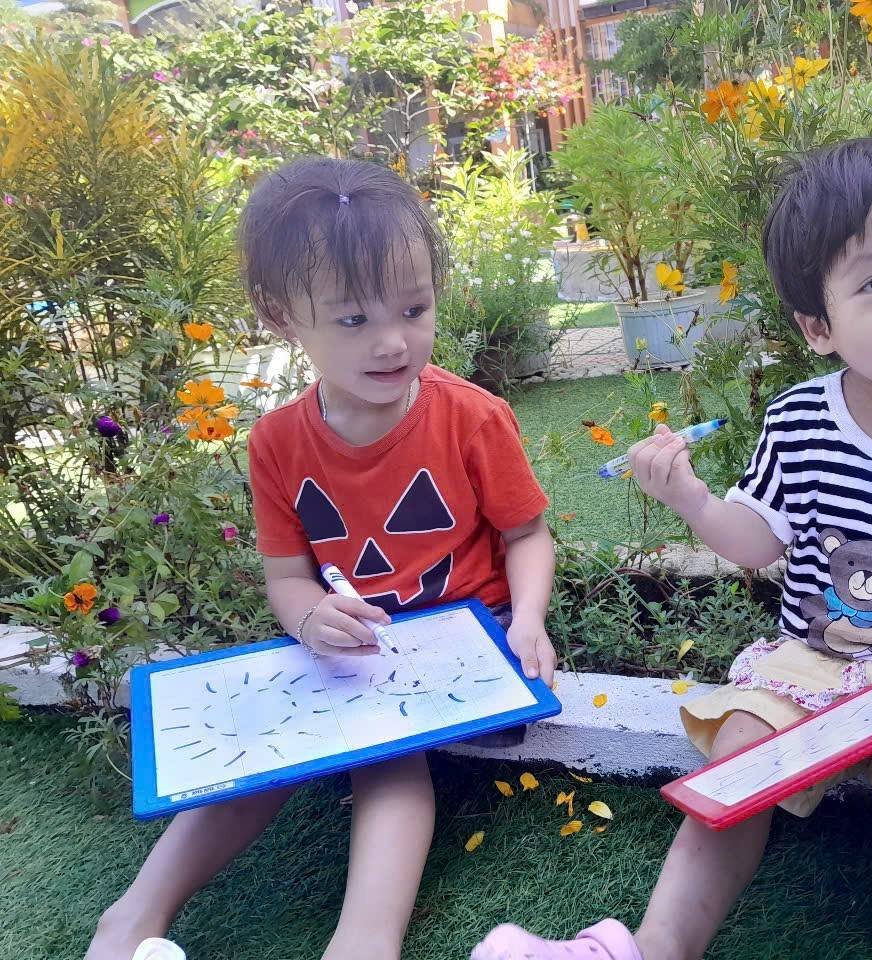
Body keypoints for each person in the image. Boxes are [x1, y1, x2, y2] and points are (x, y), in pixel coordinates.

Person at [472, 122, 872, 960]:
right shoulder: (802, 420)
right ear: (818, 327)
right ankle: (652, 948)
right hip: (813, 664)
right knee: (733, 772)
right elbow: (756, 543)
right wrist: (692, 497)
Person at [88, 157, 556, 960]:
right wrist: (309, 620)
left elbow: (528, 536)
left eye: (414, 308)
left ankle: (363, 941)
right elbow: (288, 578)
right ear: (281, 316)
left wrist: (530, 623)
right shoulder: (276, 443)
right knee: (262, 742)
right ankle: (133, 915)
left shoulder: (472, 418)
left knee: (388, 762)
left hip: (467, 642)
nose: (392, 341)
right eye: (353, 319)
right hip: (351, 651)